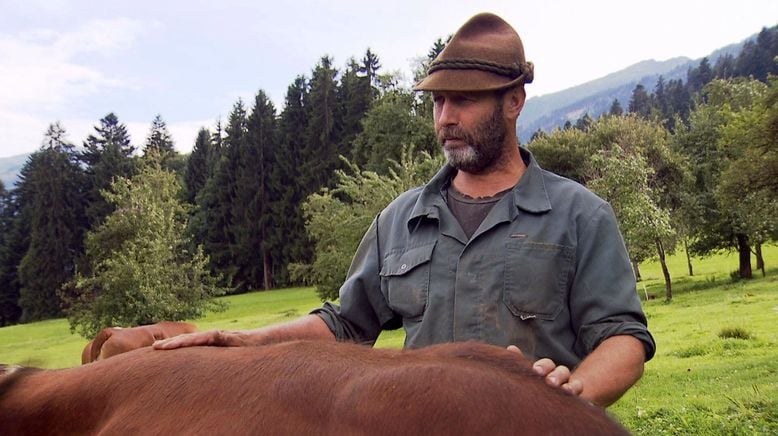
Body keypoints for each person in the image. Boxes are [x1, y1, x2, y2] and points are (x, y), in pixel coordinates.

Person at [155, 12, 655, 407]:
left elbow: (624, 339)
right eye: (437, 102)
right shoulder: (398, 221)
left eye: (464, 100)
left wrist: (571, 393)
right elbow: (344, 325)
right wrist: (242, 342)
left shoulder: (580, 216)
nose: (446, 118)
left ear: (514, 102)